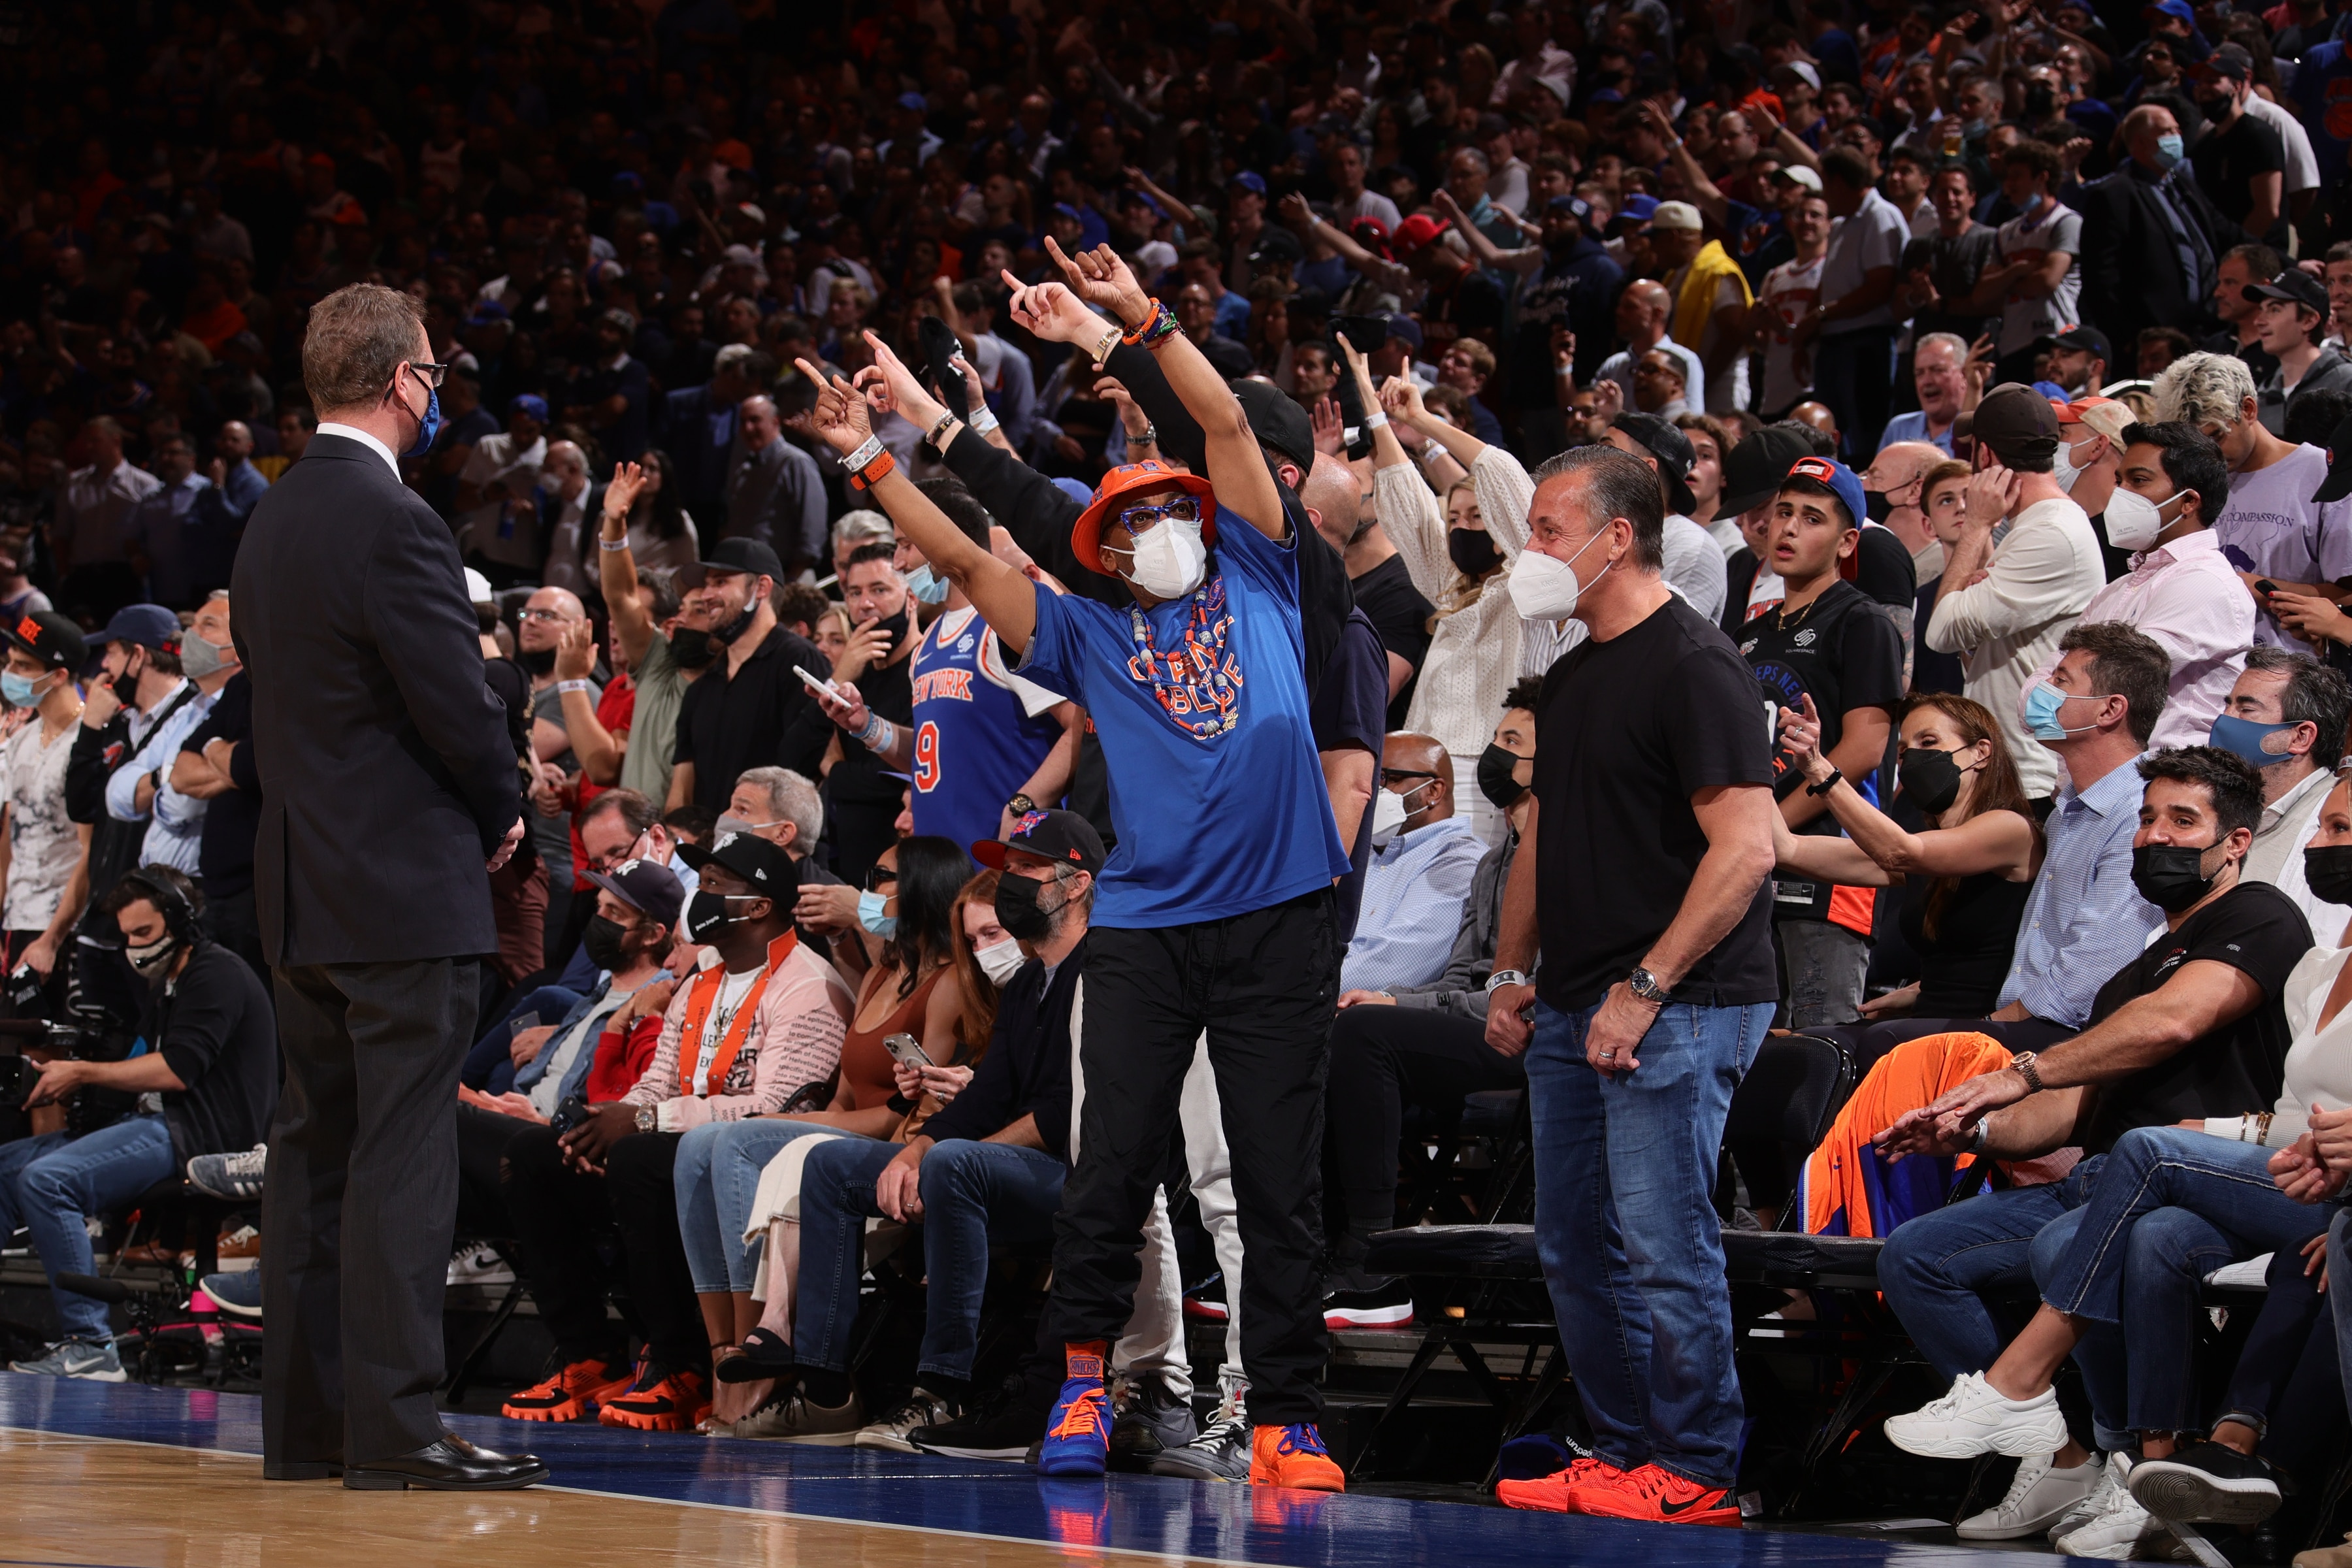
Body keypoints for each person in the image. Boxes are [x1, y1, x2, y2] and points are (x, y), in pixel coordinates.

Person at [792, 235, 1352, 1492]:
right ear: (1104, 546)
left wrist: (1139, 319)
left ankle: (1290, 1417)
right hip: (1145, 931)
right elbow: (978, 555)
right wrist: (871, 459)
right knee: (1108, 1173)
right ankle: (1086, 1389)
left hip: (1277, 924)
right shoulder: (1087, 632)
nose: (1158, 520)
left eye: (1171, 504)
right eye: (1132, 514)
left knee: (1274, 1177)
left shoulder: (1262, 566)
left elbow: (1215, 416)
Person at [233, 282, 539, 1490]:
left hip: (301, 888)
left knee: (313, 1159)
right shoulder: (396, 521)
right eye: (434, 374)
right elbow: (453, 710)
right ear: (408, 380)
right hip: (400, 890)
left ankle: (309, 1432)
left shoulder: (270, 519)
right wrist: (506, 807)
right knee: (403, 1162)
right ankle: (402, 1431)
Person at [1877, 747, 2310, 1555]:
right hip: (2103, 1172)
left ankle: (2120, 1456)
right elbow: (2075, 1108)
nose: (2156, 837)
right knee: (1916, 1255)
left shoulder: (2259, 917)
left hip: (2195, 1184)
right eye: (2148, 819)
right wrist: (1970, 1126)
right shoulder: (2139, 963)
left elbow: (2174, 1023)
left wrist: (2020, 1072)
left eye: (2184, 821)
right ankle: (2060, 1456)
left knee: (2071, 1240)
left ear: (2237, 842)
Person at [1485, 444, 1778, 1525]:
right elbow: (1540, 836)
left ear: (1619, 537)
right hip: (1571, 996)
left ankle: (1697, 1466)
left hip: (1681, 1001)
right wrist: (1515, 968)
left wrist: (1647, 985)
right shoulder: (1568, 676)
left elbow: (1748, 847)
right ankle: (1623, 1449)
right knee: (1574, 1241)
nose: (1532, 550)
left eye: (1550, 530)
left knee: (1662, 1239)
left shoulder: (1694, 665)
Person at [497, 831, 848, 1434]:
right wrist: (605, 1125)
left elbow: (774, 1112)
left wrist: (645, 1122)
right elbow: (657, 1082)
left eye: (713, 885)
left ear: (759, 906)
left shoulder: (809, 987)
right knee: (537, 1152)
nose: (699, 897)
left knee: (640, 1158)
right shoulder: (701, 980)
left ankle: (681, 1364)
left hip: (752, 1169)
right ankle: (587, 1354)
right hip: (668, 1146)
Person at [785, 821, 1098, 1451]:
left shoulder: (1106, 972)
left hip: (1083, 1175)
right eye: (1006, 870)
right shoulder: (1031, 979)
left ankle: (939, 1391)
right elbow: (987, 1093)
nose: (1011, 885)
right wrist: (915, 1148)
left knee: (956, 1163)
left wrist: (951, 1157)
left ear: (1077, 884)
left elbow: (1071, 1110)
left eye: (1028, 872)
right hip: (1006, 1168)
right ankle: (822, 1388)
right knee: (830, 1166)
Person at [693, 836, 975, 1437]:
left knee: (745, 1142)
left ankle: (766, 1361)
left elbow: (912, 1115)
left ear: (925, 887)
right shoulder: (878, 974)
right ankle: (727, 1354)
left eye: (883, 877)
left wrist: (783, 1126)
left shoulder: (950, 984)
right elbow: (846, 1099)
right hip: (851, 1130)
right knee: (703, 1145)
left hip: (899, 1143)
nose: (869, 887)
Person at [1, 867, 275, 1383]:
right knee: (5, 1166)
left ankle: (90, 1347)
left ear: (182, 921)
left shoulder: (216, 974)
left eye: (144, 934)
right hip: (154, 1122)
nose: (134, 947)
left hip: (201, 1135)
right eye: (127, 936)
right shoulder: (168, 981)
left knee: (47, 1180)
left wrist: (82, 1071)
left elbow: (176, 1069)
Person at [1326, 683, 1540, 1323]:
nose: (1494, 758)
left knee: (1364, 1035)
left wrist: (1397, 1004)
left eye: (1511, 744)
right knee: (1344, 1026)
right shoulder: (1497, 860)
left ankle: (1375, 1266)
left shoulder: (1546, 854)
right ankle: (1311, 1247)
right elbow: (1467, 976)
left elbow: (1530, 994)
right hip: (1485, 1022)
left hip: (1537, 1038)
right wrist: (1395, 997)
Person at [1771, 692, 2040, 1071]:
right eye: (1902, 751)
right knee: (1783, 1044)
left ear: (1981, 752)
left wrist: (1818, 767)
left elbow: (1900, 852)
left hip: (1981, 1038)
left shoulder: (2010, 828)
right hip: (1925, 1025)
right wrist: (1744, 750)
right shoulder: (1918, 848)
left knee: (1827, 1057)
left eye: (1928, 743)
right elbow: (1788, 848)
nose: (1912, 758)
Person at [814, 481, 1079, 864]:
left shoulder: (1004, 621)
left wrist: (1023, 805)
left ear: (943, 535)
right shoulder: (928, 643)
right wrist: (866, 726)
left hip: (1005, 860)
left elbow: (1081, 727)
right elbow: (932, 758)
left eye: (906, 545)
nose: (900, 563)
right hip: (942, 869)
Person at [1737, 455, 1906, 1030]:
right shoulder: (1752, 633)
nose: (1787, 528)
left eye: (1812, 518)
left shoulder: (1862, 622)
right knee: (1749, 1045)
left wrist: (1769, 828)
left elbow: (1863, 750)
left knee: (1816, 1045)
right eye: (1783, 512)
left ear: (1846, 540)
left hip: (1831, 869)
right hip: (1757, 860)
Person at [1352, 345, 1531, 849]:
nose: (1461, 528)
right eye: (1454, 518)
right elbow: (1407, 503)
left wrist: (1425, 422)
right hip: (1410, 765)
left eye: (1477, 518)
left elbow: (1512, 488)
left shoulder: (1526, 590)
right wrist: (1376, 412)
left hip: (1475, 773)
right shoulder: (1448, 588)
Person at [2018, 421, 2249, 751]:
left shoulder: (2205, 582)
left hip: (2157, 790)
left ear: (2189, 501)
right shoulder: (2117, 590)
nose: (2121, 494)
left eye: (2138, 481)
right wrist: (2057, 705)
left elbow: (2105, 687)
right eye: (2119, 481)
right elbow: (2032, 709)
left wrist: (2058, 701)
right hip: (2087, 788)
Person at [1923, 385, 2106, 799]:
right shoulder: (2038, 525)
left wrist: (1975, 526)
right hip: (2008, 762)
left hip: (2030, 773)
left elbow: (1940, 633)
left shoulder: (2049, 532)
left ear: (1984, 457)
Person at [2155, 353, 2346, 655]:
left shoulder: (2320, 473)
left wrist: (2255, 587)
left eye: (2216, 437)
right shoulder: (2194, 483)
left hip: (2293, 676)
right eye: (2196, 447)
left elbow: (2346, 596)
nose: (2210, 456)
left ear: (2248, 409)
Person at [666, 536, 834, 815]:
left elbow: (807, 770)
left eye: (720, 582)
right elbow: (681, 791)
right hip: (710, 850)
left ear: (761, 588)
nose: (706, 595)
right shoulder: (701, 689)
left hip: (772, 846)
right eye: (707, 584)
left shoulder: (799, 661)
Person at [2213, 649, 2352, 947]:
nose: (2225, 720)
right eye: (2228, 705)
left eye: (2246, 710)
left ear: (2300, 737)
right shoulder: (2213, 807)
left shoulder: (2339, 822)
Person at [106, 591, 240, 878]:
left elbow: (184, 805)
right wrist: (166, 776)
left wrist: (156, 786)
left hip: (207, 886)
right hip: (157, 884)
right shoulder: (191, 710)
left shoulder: (246, 711)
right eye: (193, 625)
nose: (191, 633)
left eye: (208, 625)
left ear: (241, 647)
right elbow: (117, 793)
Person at [1341, 734, 1487, 995]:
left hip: (1346, 1012)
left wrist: (1294, 991)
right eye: (1376, 778)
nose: (1377, 790)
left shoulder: (1460, 859)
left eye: (1391, 778)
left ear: (1434, 791)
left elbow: (1398, 963)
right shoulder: (1366, 850)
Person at [0, 613, 91, 1004]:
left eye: (23, 666)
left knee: (45, 1052)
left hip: (61, 928)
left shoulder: (85, 745)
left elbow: (91, 851)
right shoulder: (20, 742)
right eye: (9, 662)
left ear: (57, 675)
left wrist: (51, 939)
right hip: (15, 921)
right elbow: (8, 839)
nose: (10, 673)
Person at [1806, 146, 1908, 457]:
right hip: (1833, 343)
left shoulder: (1880, 216)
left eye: (1826, 183)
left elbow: (1880, 287)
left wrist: (1823, 314)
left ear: (1838, 182)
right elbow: (1829, 283)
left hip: (1866, 346)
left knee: (1865, 439)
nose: (1825, 193)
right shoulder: (1839, 225)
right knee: (1828, 439)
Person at [1968, 142, 2082, 385]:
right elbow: (1981, 295)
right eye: (2008, 177)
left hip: (2056, 340)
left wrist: (2004, 281)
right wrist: (2017, 271)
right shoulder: (2005, 233)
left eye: (2018, 176)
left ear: (2042, 178)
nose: (2009, 184)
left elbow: (2046, 281)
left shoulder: (2065, 222)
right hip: (2012, 345)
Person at [726, 394, 826, 576]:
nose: (748, 428)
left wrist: (795, 574)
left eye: (755, 420)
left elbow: (813, 525)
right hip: (747, 575)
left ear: (775, 421)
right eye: (743, 422)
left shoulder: (796, 463)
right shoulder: (744, 471)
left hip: (788, 575)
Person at [2247, 270, 2352, 436]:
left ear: (2308, 320)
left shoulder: (2346, 382)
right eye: (2261, 310)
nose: (2259, 321)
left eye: (2274, 310)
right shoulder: (2262, 395)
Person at [1877, 332, 1970, 455]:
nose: (1926, 381)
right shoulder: (1898, 429)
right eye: (1919, 373)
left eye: (1937, 370)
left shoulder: (1976, 429)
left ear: (1964, 374)